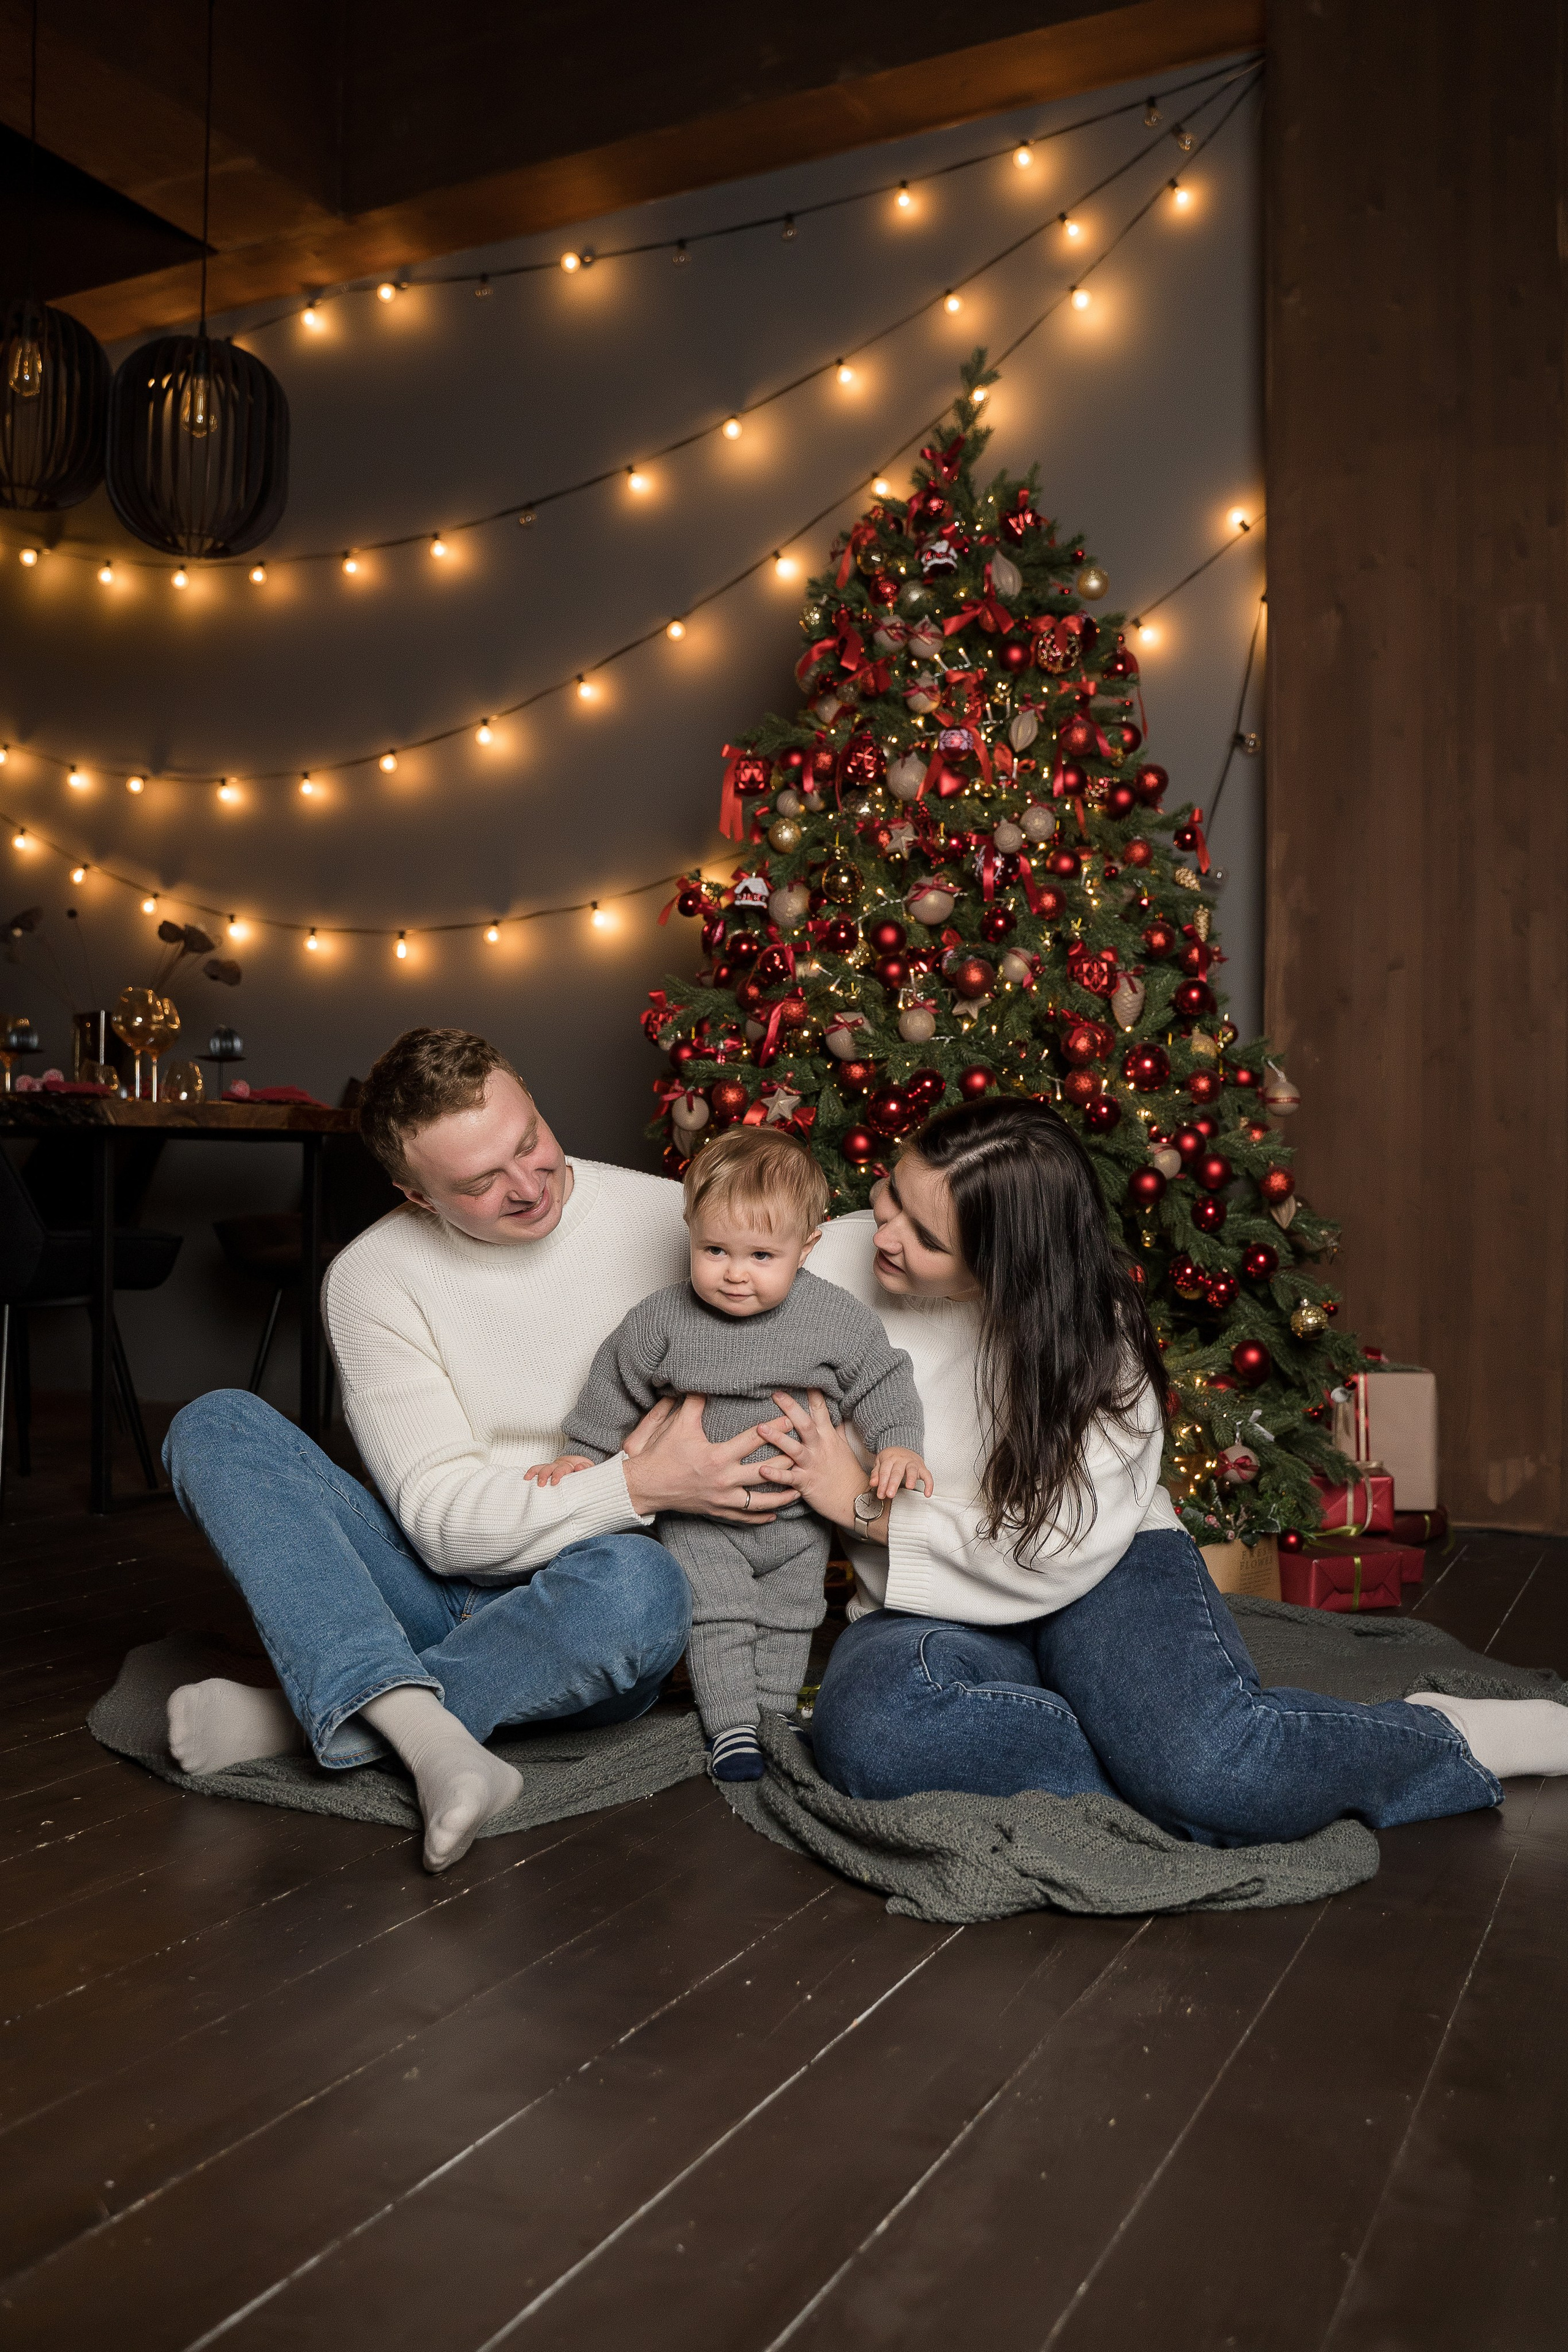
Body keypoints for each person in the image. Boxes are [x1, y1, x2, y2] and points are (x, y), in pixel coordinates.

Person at [755, 1098, 1568, 1842]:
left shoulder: (1095, 1341)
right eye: (893, 1191)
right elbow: (669, 1251)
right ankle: (1169, 1766)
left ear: (1011, 1263)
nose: (884, 1231)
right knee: (876, 1737)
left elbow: (1055, 1550)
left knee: (1213, 1770)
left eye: (928, 1238)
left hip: (1102, 1567)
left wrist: (868, 1511)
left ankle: (1450, 1738)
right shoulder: (828, 1266)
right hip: (925, 1601)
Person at [160, 1028, 805, 1872]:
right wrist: (639, 1484)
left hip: (586, 1609)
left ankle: (311, 1715)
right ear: (417, 1195)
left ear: (531, 1100)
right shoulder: (371, 1276)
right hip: (427, 1590)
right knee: (213, 1424)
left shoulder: (674, 1224)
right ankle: (428, 1733)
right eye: (478, 1183)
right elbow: (439, 1524)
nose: (529, 1186)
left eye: (529, 1141)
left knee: (641, 1584)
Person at [532, 1126, 928, 1782]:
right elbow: (615, 1384)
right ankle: (732, 1729)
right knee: (719, 1616)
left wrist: (899, 1446)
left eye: (760, 1256)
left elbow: (883, 1378)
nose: (734, 1273)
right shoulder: (661, 1321)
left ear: (806, 1248)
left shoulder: (834, 1318)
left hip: (799, 1518)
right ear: (689, 1232)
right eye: (714, 1249)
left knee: (793, 1616)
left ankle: (773, 1718)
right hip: (701, 1518)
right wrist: (582, 1451)